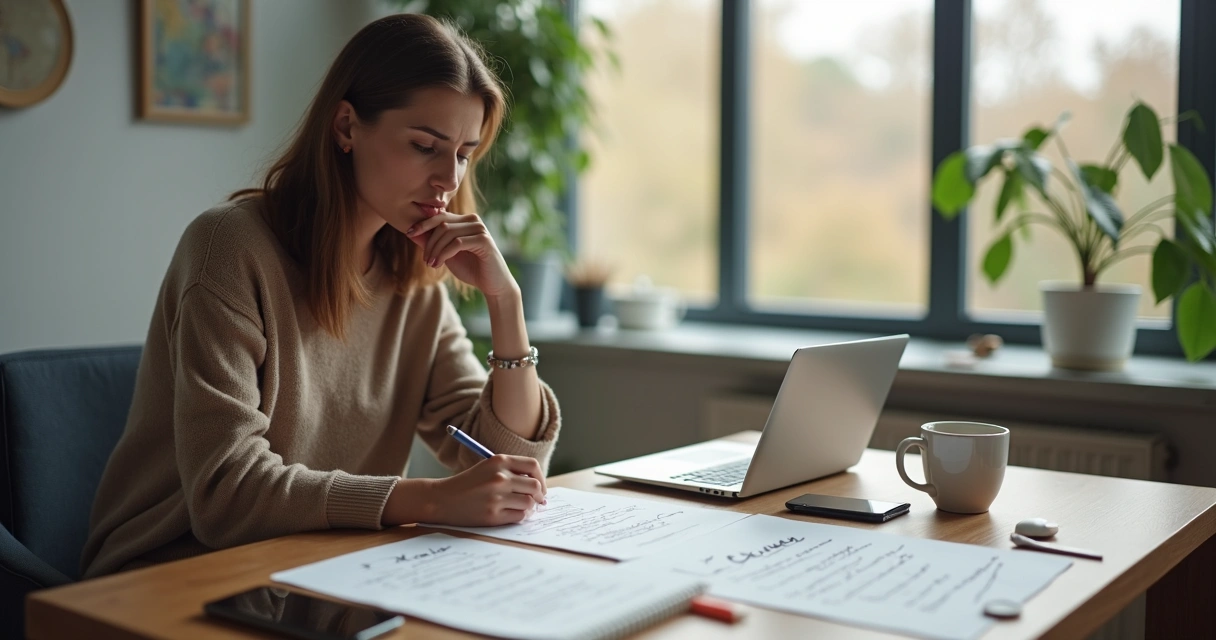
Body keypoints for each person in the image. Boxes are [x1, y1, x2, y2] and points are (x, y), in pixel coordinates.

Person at [80, 14, 560, 579]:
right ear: (346, 127)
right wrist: (428, 499)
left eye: (462, 154)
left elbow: (515, 466)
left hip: (320, 568)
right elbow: (225, 495)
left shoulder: (414, 279)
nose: (447, 180)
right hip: (171, 572)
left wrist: (506, 304)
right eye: (425, 146)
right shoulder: (229, 247)